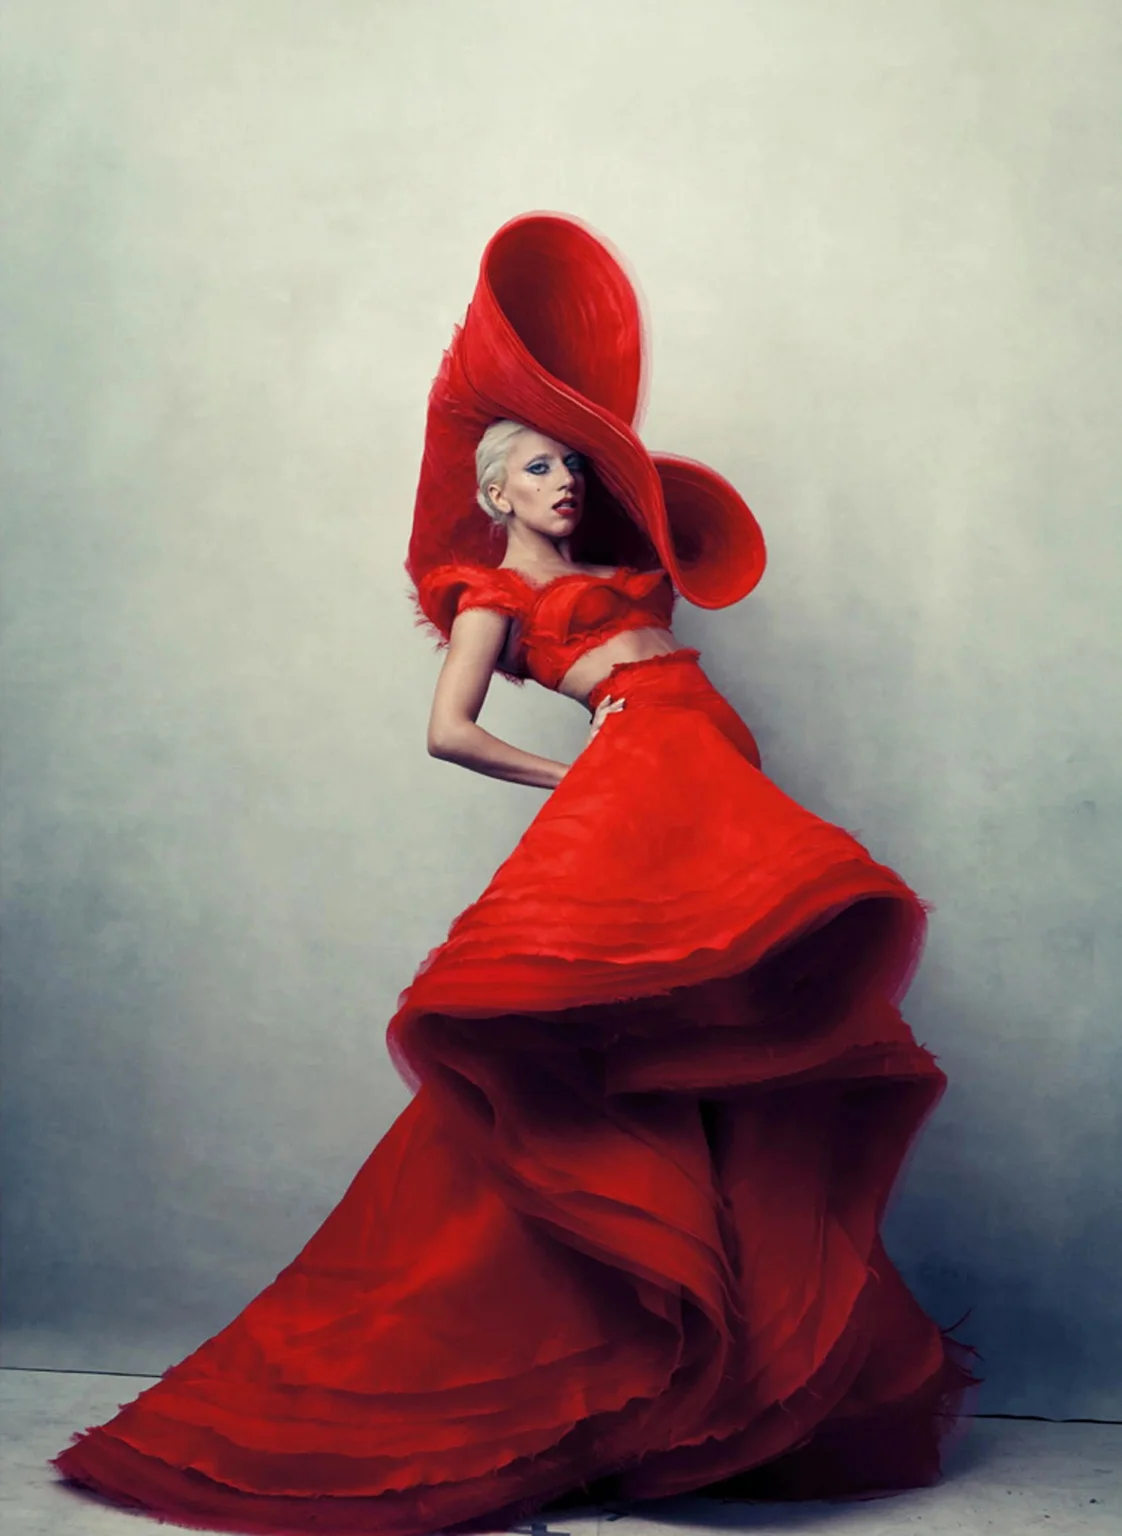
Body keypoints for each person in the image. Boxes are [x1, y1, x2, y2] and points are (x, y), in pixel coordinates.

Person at [53, 214, 979, 1536]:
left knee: (712, 1053)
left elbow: (689, 560)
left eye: (567, 467)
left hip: (703, 788)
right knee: (592, 1058)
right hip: (640, 784)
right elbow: (444, 730)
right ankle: (549, 1373)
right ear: (494, 487)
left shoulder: (612, 565)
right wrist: (570, 778)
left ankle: (694, 1397)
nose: (562, 484)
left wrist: (630, 487)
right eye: (542, 465)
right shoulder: (485, 591)